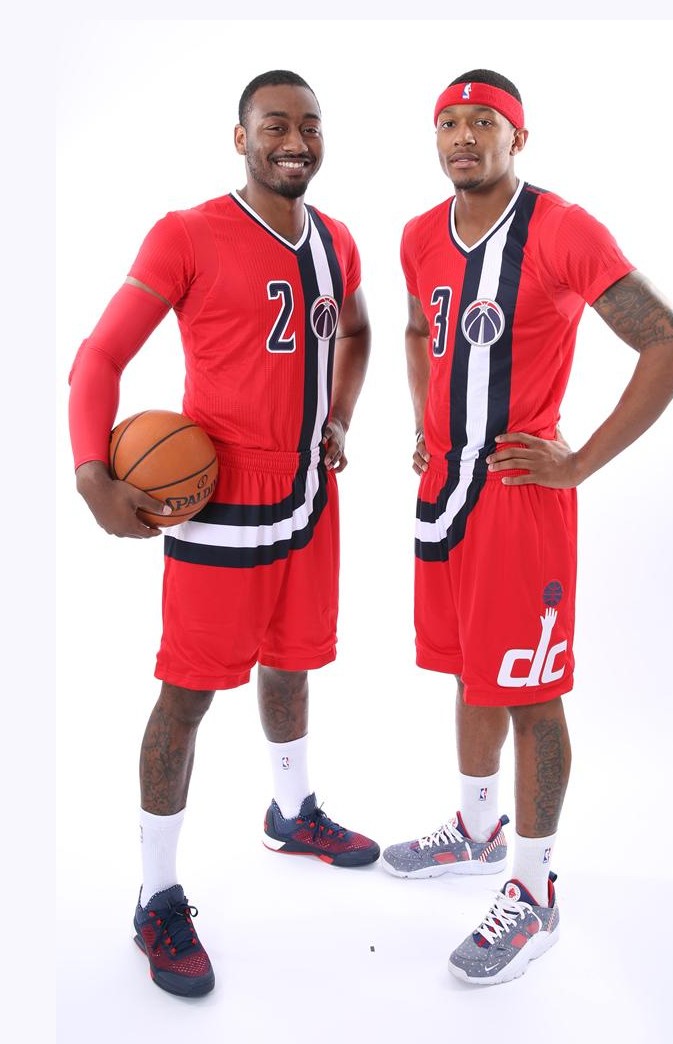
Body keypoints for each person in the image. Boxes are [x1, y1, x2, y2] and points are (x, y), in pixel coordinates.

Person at [381, 69, 673, 986]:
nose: (463, 136)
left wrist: (580, 461)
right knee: (471, 670)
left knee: (528, 691)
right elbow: (418, 329)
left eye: (483, 122)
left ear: (517, 137)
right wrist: (424, 421)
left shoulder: (562, 228)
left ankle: (533, 890)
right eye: (448, 122)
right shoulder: (418, 235)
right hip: (444, 490)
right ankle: (479, 829)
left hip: (519, 495)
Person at [68, 69, 378, 999]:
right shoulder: (188, 234)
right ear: (240, 138)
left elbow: (356, 332)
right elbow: (99, 354)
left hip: (308, 493)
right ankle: (155, 896)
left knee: (293, 664)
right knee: (188, 697)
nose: (295, 140)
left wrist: (340, 415)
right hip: (217, 506)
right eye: (275, 125)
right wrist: (91, 472)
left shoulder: (337, 240)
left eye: (310, 125)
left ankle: (291, 813)